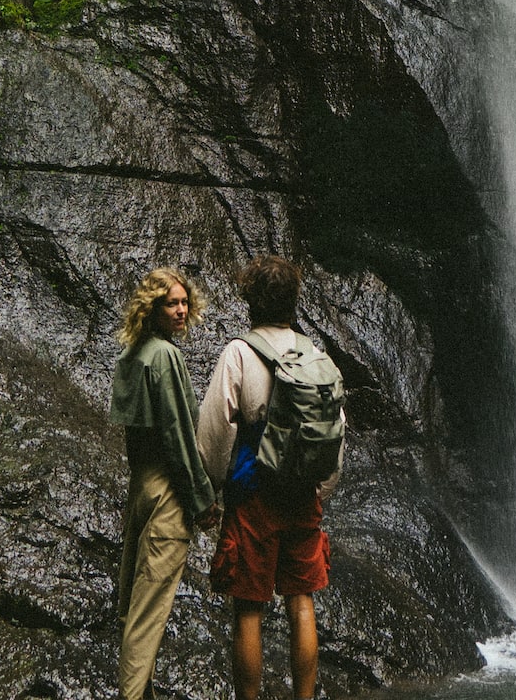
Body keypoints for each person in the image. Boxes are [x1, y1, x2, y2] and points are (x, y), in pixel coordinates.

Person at [197, 255, 344, 700]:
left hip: (254, 496)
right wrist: (320, 488)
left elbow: (216, 428)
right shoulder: (316, 355)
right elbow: (337, 431)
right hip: (303, 493)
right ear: (293, 301)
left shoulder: (239, 353)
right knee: (302, 602)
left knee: (249, 608)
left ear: (251, 300)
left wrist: (214, 486)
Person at [111, 266, 222, 700]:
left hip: (139, 486)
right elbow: (178, 436)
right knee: (148, 611)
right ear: (152, 308)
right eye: (170, 303)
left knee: (132, 606)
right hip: (166, 493)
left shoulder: (134, 352)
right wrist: (202, 500)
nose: (180, 310)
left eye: (183, 302)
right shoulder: (165, 357)